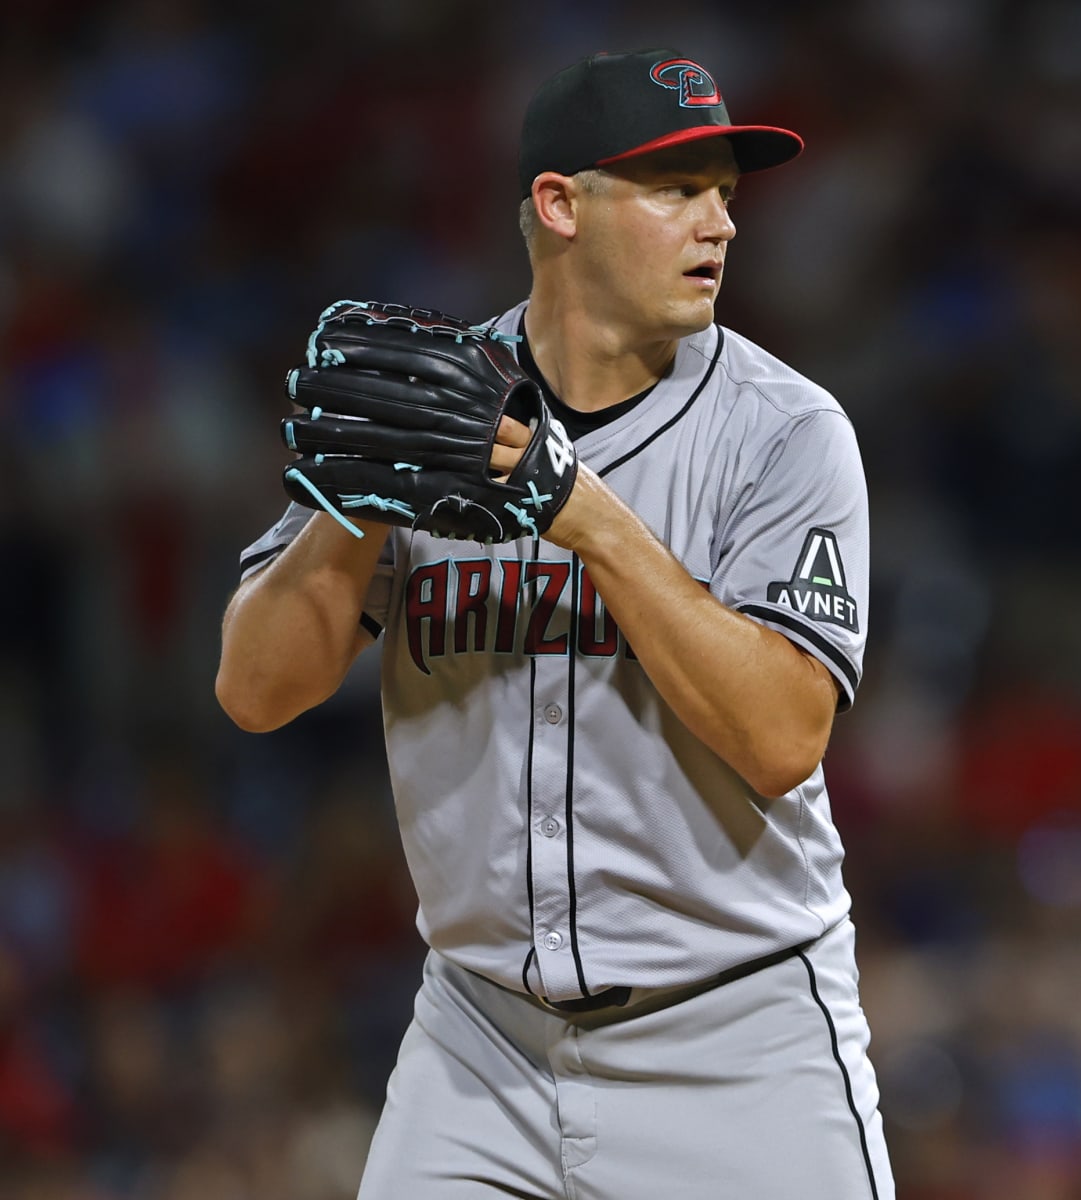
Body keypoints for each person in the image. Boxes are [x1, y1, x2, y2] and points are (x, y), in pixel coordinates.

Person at [215, 48, 892, 1199]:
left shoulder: (784, 431)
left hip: (736, 1039)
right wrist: (348, 512)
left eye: (726, 192)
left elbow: (785, 736)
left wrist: (587, 519)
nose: (719, 224)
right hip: (480, 1042)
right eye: (676, 190)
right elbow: (256, 692)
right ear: (560, 205)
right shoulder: (431, 405)